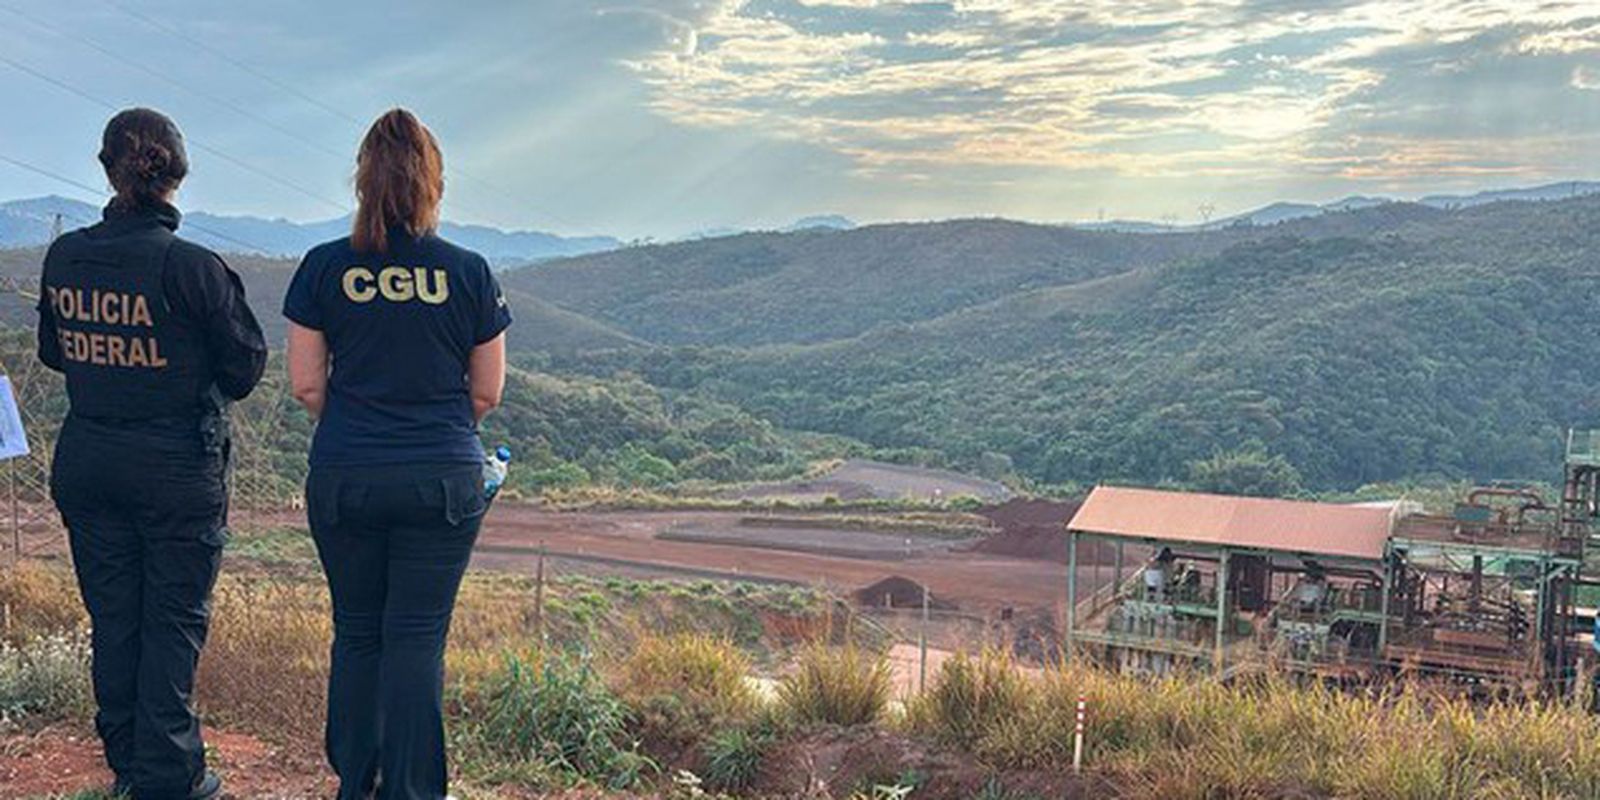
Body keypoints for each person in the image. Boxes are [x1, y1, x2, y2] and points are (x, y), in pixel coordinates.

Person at [37, 108, 268, 799]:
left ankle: (128, 764)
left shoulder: (65, 257)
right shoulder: (193, 268)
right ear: (177, 176)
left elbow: (54, 352)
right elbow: (244, 369)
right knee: (172, 621)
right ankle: (169, 775)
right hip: (175, 470)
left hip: (89, 459)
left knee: (114, 617)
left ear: (108, 170)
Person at [284, 108, 511, 800]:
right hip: (440, 479)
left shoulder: (323, 267)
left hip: (346, 476)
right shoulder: (468, 272)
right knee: (416, 638)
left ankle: (357, 781)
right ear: (433, 183)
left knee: (357, 633)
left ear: (362, 179)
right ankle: (412, 790)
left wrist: (357, 427)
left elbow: (306, 385)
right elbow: (486, 392)